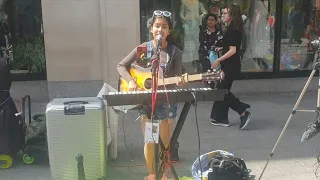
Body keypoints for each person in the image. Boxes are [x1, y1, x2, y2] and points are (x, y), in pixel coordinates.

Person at [117, 10, 183, 180]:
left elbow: (177, 79)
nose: (160, 29)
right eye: (157, 26)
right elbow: (121, 66)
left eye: (164, 26)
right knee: (150, 140)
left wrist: (180, 81)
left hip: (166, 102)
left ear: (169, 31)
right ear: (151, 29)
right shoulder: (143, 49)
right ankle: (152, 174)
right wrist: (131, 81)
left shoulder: (175, 53)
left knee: (164, 143)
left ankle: (163, 175)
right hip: (147, 103)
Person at [210, 4, 252, 129]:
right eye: (222, 13)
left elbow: (233, 50)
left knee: (222, 92)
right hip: (230, 65)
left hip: (230, 66)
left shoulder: (233, 29)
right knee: (223, 91)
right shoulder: (233, 27)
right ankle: (222, 118)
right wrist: (222, 48)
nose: (222, 15)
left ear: (232, 16)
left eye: (224, 13)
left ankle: (243, 111)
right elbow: (231, 46)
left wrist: (218, 59)